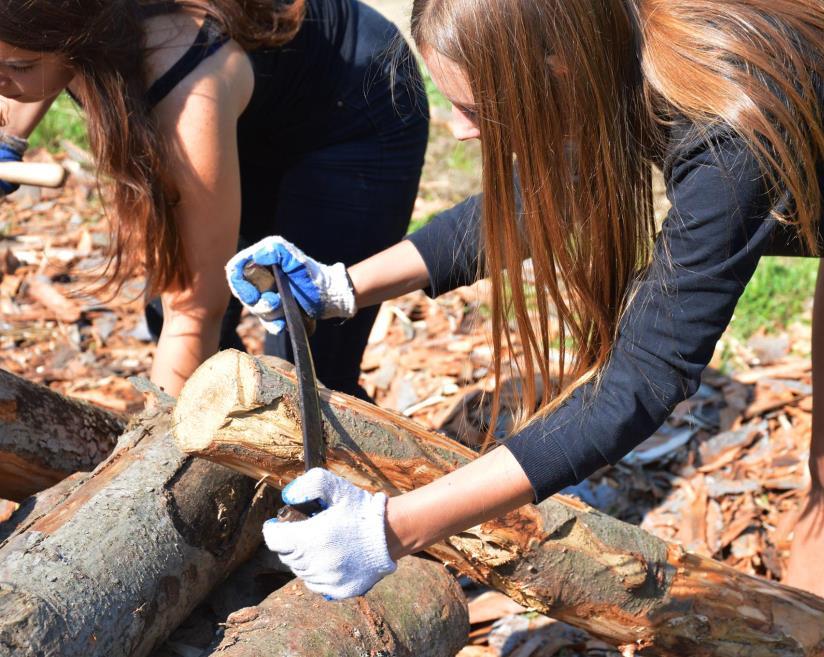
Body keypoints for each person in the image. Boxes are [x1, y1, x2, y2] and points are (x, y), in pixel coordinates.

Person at [226, 0, 824, 599]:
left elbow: (642, 378)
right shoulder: (608, 39)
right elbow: (534, 202)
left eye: (474, 109)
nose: (459, 129)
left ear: (556, 69)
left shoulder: (725, 128)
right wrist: (340, 287)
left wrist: (392, 528)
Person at [0, 0, 428, 399]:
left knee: (304, 368)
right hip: (246, 108)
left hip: (354, 110)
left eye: (19, 66)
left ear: (80, 36)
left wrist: (154, 458)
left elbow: (192, 312)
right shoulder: (60, 30)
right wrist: (8, 142)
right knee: (167, 308)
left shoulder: (180, 80)